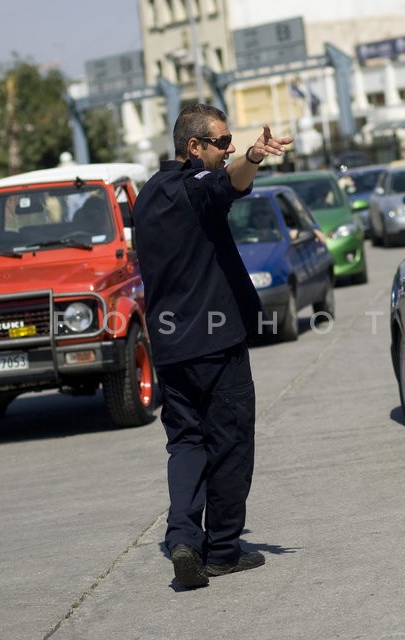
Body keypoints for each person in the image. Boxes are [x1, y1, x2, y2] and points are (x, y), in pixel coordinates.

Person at [132, 104, 292, 590]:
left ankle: (183, 537)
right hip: (216, 346)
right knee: (230, 444)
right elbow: (229, 184)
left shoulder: (147, 196)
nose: (226, 149)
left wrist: (241, 159)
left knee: (185, 443)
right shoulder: (195, 186)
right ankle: (221, 550)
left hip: (170, 349)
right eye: (220, 142)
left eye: (229, 142)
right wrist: (253, 156)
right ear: (194, 147)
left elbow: (224, 185)